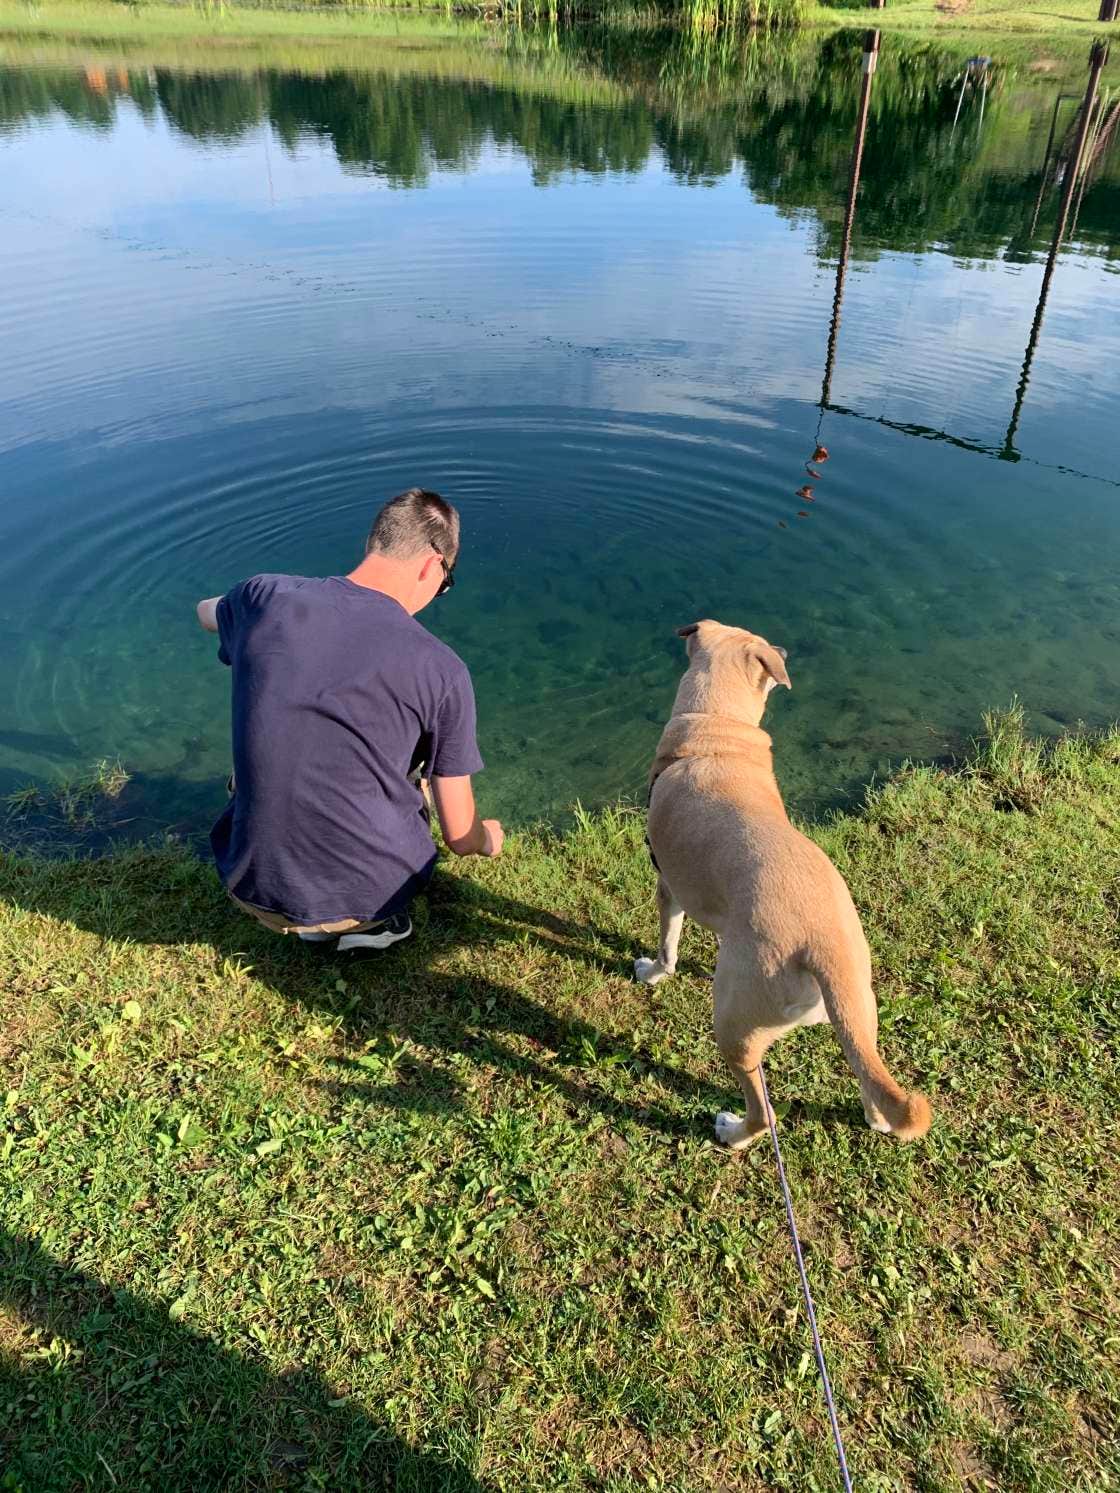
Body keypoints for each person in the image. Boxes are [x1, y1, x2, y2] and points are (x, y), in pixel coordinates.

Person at [196, 488, 502, 953]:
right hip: (361, 899)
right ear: (430, 566)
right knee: (414, 779)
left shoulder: (263, 597)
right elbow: (459, 836)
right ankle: (371, 927)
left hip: (248, 886)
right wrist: (489, 840)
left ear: (374, 542)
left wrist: (242, 608)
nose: (437, 593)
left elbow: (205, 613)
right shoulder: (442, 669)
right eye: (445, 583)